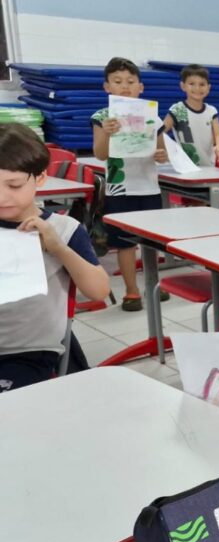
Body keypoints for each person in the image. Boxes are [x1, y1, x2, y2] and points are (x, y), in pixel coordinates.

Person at [0, 124, 109, 391]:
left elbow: (98, 290)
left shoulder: (63, 229)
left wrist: (58, 248)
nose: (2, 196)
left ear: (39, 179)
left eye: (13, 185)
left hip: (27, 351)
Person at [91, 56, 169, 312]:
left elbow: (162, 153)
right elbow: (100, 154)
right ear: (107, 87)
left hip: (149, 187)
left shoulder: (152, 117)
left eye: (130, 81)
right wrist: (107, 132)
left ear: (140, 87)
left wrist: (161, 155)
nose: (124, 86)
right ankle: (132, 291)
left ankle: (154, 284)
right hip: (120, 188)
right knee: (124, 243)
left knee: (152, 241)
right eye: (117, 81)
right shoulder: (102, 117)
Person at [163, 64, 219, 167]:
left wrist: (218, 146)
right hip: (185, 168)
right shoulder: (178, 110)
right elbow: (160, 132)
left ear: (208, 88)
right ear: (183, 86)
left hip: (209, 166)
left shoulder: (211, 111)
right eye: (192, 83)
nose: (197, 88)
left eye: (202, 84)